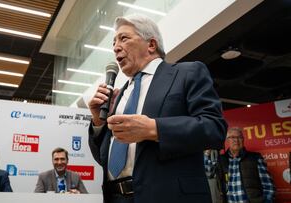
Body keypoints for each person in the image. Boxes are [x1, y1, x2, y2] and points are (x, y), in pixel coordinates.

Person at [88, 14, 227, 203]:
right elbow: (104, 158)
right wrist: (97, 122)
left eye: (124, 38)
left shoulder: (187, 72)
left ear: (151, 45)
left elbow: (214, 128)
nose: (115, 47)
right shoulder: (120, 95)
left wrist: (153, 129)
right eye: (114, 42)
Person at [213, 127, 275, 203]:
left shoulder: (255, 157)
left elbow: (268, 185)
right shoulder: (221, 159)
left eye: (239, 137)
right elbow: (209, 172)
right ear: (227, 140)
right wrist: (207, 152)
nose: (236, 140)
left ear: (243, 140)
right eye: (232, 137)